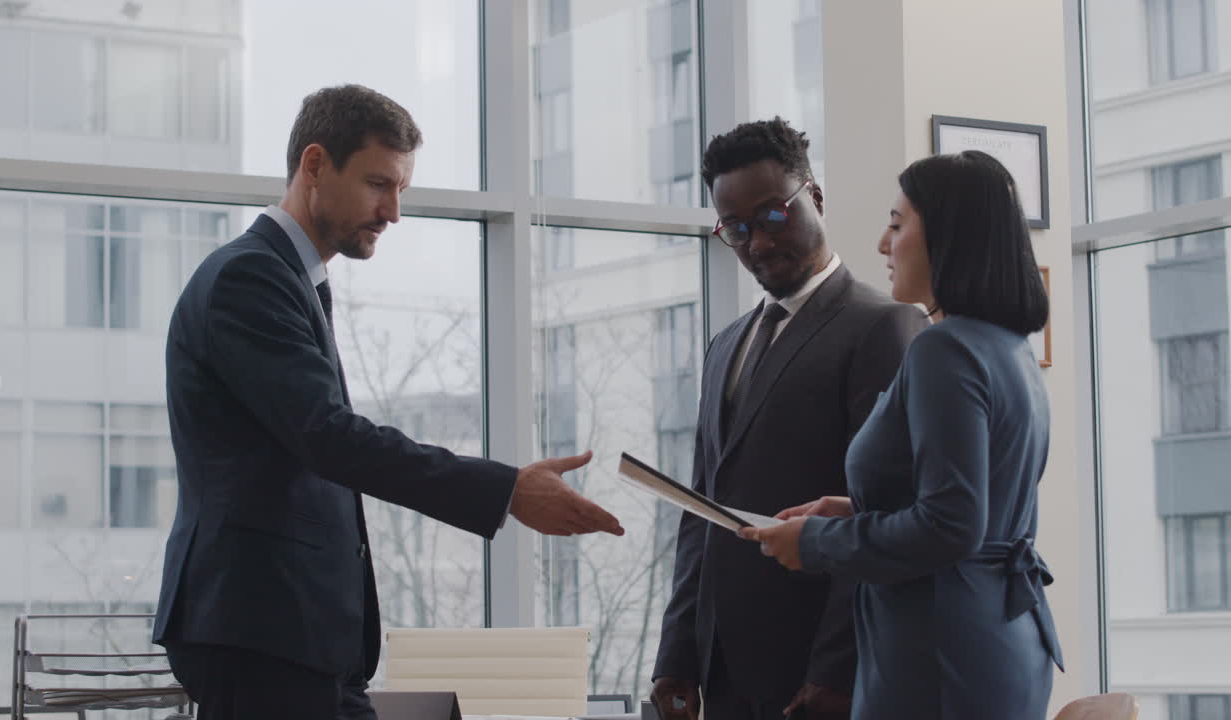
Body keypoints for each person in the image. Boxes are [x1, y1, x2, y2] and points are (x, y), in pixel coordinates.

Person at [152, 85, 624, 720]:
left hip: (292, 636)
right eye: (379, 184)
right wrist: (504, 489)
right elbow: (328, 436)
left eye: (401, 188)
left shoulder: (288, 279)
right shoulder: (250, 278)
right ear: (314, 165)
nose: (393, 212)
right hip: (261, 628)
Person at [743, 150, 1065, 719]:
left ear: (948, 234)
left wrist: (817, 544)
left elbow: (950, 526)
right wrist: (853, 510)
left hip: (940, 652)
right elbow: (969, 503)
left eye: (896, 224)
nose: (882, 245)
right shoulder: (1007, 346)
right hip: (998, 635)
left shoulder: (945, 349)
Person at [650, 118, 927, 720]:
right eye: (738, 229)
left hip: (814, 673)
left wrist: (837, 668)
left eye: (774, 216)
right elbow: (703, 510)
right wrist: (678, 653)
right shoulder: (726, 343)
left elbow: (879, 510)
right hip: (722, 670)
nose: (759, 243)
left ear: (815, 198)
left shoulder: (884, 327)